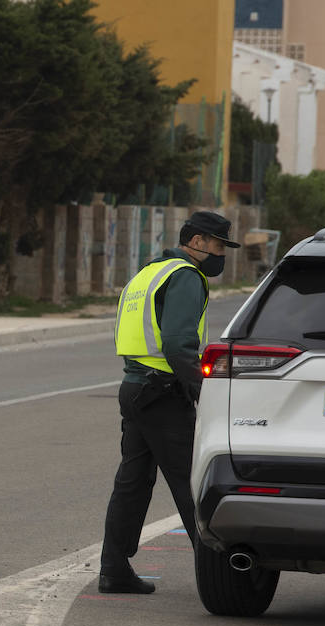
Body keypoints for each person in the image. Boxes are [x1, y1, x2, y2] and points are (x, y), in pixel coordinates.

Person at [98, 210, 238, 594]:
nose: (221, 254)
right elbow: (178, 344)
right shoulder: (186, 277)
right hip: (162, 392)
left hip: (135, 387)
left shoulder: (147, 273)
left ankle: (113, 567)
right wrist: (202, 390)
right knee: (190, 482)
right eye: (218, 245)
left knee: (132, 481)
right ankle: (222, 576)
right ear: (196, 242)